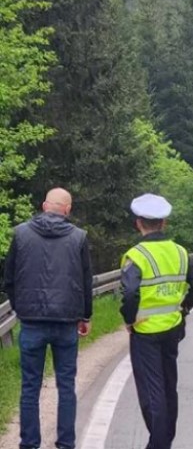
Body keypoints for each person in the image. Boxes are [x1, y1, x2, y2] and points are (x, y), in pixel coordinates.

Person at [3, 188, 93, 449]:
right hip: (66, 322)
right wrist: (85, 315)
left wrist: (21, 307)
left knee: (30, 386)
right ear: (67, 209)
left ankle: (29, 444)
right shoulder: (78, 237)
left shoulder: (21, 234)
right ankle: (66, 443)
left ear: (44, 205)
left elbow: (8, 279)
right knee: (66, 386)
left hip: (31, 321)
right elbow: (85, 281)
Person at [120, 194, 193, 449]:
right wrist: (184, 307)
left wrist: (129, 319)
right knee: (169, 387)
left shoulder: (136, 255)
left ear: (139, 223)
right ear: (164, 223)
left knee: (151, 393)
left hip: (145, 331)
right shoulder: (180, 252)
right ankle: (165, 440)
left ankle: (158, 444)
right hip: (173, 328)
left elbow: (130, 293)